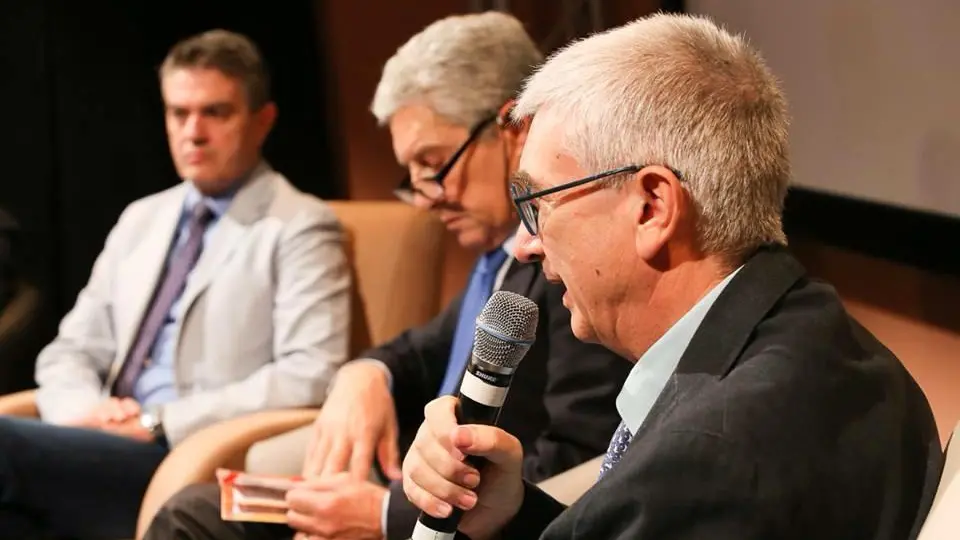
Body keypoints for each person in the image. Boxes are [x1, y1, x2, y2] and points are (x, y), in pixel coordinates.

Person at [400, 13, 944, 540]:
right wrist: (511, 516)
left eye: (537, 203)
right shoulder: (820, 329)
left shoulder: (705, 458)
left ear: (652, 208)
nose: (526, 244)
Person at [145, 12, 630, 540]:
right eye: (412, 173)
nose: (425, 197)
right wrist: (367, 373)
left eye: (434, 163)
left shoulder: (568, 274)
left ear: (512, 130)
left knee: (191, 519)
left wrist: (381, 513)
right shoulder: (495, 261)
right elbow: (421, 349)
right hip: (409, 494)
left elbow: (579, 466)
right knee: (199, 509)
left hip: (451, 522)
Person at [0, 29, 351, 539]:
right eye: (178, 113)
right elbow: (70, 349)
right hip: (96, 444)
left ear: (263, 121)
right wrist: (87, 413)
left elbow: (310, 373)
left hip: (189, 452)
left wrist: (157, 422)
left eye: (215, 112)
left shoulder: (299, 224)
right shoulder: (141, 218)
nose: (193, 132)